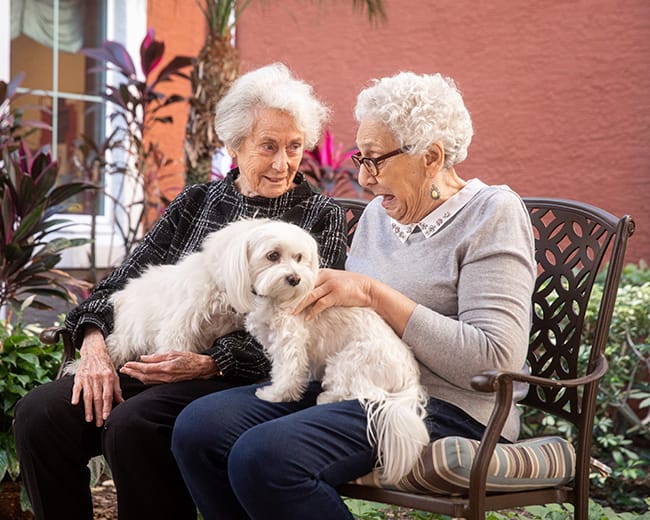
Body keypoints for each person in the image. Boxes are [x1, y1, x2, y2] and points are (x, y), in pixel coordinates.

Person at [171, 71, 537, 520]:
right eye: (359, 158)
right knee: (200, 428)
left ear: (431, 157)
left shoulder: (491, 213)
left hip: (453, 408)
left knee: (266, 456)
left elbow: (494, 359)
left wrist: (372, 293)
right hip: (357, 386)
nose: (364, 179)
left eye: (376, 161)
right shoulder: (380, 217)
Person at [13, 62, 348, 520]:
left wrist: (213, 362)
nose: (282, 163)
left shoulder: (318, 217)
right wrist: (93, 344)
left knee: (135, 423)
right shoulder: (197, 203)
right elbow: (120, 282)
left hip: (237, 375)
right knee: (40, 414)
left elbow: (307, 319)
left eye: (293, 147)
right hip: (154, 353)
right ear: (234, 146)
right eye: (268, 146)